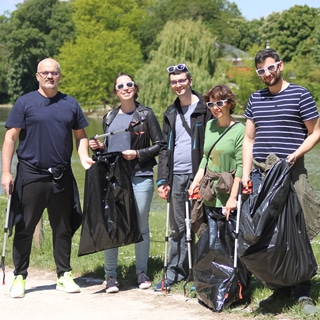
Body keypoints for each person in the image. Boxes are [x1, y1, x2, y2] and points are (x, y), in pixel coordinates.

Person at [1, 58, 94, 298]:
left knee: (62, 227)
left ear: (60, 76)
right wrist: (6, 172)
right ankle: (19, 276)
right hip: (31, 174)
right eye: (45, 73)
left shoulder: (70, 103)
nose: (50, 76)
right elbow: (10, 138)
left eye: (54, 73)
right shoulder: (25, 103)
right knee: (24, 227)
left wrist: (83, 156)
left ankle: (64, 275)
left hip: (61, 175)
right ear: (38, 76)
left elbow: (81, 136)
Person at [242, 48, 320, 316]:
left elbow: (315, 132)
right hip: (261, 174)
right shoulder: (255, 98)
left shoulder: (300, 94)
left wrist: (296, 154)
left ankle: (302, 290)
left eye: (270, 67)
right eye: (261, 70)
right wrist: (245, 175)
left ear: (281, 66)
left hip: (289, 172)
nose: (267, 73)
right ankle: (279, 286)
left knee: (295, 232)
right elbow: (249, 139)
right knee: (266, 232)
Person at [89, 72, 163, 293]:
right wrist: (99, 148)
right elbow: (110, 148)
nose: (125, 88)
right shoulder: (109, 117)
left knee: (141, 225)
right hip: (115, 178)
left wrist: (138, 153)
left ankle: (141, 272)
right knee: (112, 225)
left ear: (135, 88)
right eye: (120, 86)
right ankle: (110, 276)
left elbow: (160, 144)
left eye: (129, 84)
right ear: (116, 91)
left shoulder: (146, 114)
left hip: (141, 177)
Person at [154, 63, 212, 291]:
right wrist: (162, 180)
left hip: (200, 175)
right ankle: (174, 272)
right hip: (176, 176)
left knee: (201, 225)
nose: (178, 85)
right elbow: (164, 148)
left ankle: (202, 271)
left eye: (181, 80)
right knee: (178, 227)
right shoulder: (170, 112)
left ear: (190, 81)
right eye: (174, 82)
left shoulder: (206, 109)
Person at [188, 84, 245, 219]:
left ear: (230, 104)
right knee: (211, 237)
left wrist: (233, 197)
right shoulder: (210, 125)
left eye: (219, 103)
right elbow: (205, 157)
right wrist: (196, 182)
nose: (215, 108)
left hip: (229, 190)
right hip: (209, 192)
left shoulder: (241, 130)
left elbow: (241, 167)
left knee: (228, 238)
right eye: (211, 104)